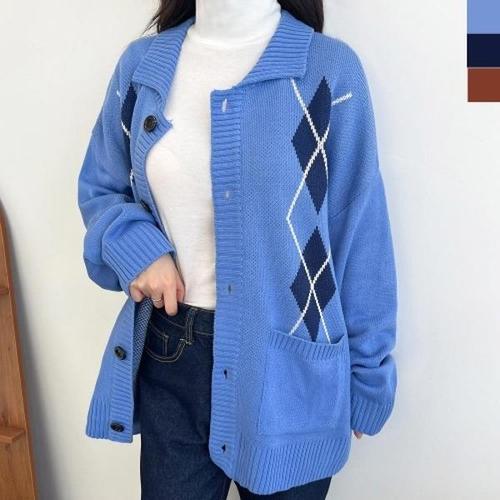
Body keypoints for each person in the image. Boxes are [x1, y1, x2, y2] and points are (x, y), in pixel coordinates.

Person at [77, 0, 398, 498]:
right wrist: (140, 250)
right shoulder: (142, 68)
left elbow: (361, 233)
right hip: (171, 356)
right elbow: (102, 189)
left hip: (289, 369)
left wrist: (368, 376)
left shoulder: (328, 72)